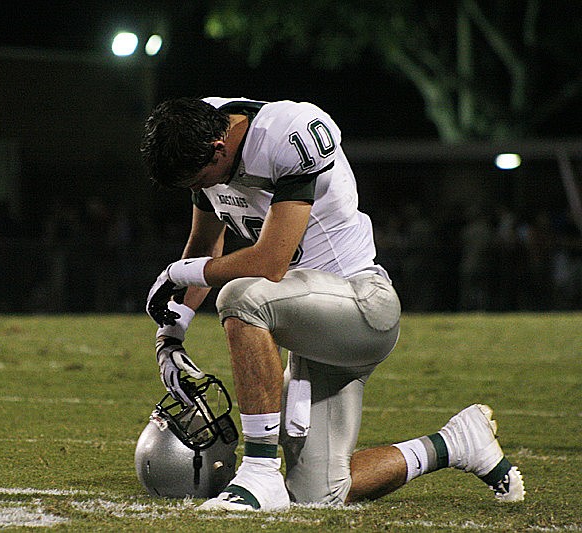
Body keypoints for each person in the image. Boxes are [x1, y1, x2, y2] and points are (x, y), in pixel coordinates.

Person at [140, 97, 524, 511]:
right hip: (311, 330)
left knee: (241, 296)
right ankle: (456, 443)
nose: (199, 189)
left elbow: (270, 262)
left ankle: (260, 471)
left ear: (220, 147)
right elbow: (203, 248)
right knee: (316, 494)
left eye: (200, 178)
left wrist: (179, 273)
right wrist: (171, 336)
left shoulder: (287, 133)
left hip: (361, 307)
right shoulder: (199, 130)